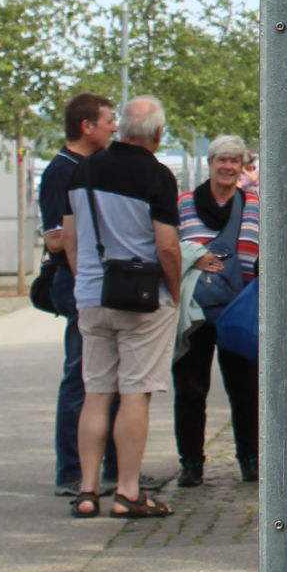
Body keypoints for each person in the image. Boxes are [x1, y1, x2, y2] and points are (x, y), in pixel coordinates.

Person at [62, 95, 179, 519]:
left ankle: (87, 490)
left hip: (92, 296)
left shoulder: (84, 171)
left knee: (96, 393)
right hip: (142, 300)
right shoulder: (158, 176)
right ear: (158, 134)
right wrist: (174, 292)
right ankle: (128, 492)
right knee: (134, 394)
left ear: (123, 128)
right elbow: (166, 246)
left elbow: (70, 236)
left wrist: (85, 281)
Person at [39, 92, 119, 495]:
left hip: (99, 283)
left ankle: (116, 469)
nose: (114, 127)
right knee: (81, 375)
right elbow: (55, 238)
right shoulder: (61, 171)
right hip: (75, 283)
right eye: (108, 121)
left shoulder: (95, 168)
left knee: (113, 377)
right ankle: (71, 471)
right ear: (87, 127)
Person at [172, 134, 259, 486]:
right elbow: (168, 245)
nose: (228, 166)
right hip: (194, 311)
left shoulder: (253, 204)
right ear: (209, 163)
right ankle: (191, 463)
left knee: (246, 390)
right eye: (221, 160)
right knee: (191, 390)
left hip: (239, 310)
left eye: (234, 161)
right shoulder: (184, 203)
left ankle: (250, 459)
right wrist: (194, 256)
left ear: (242, 167)